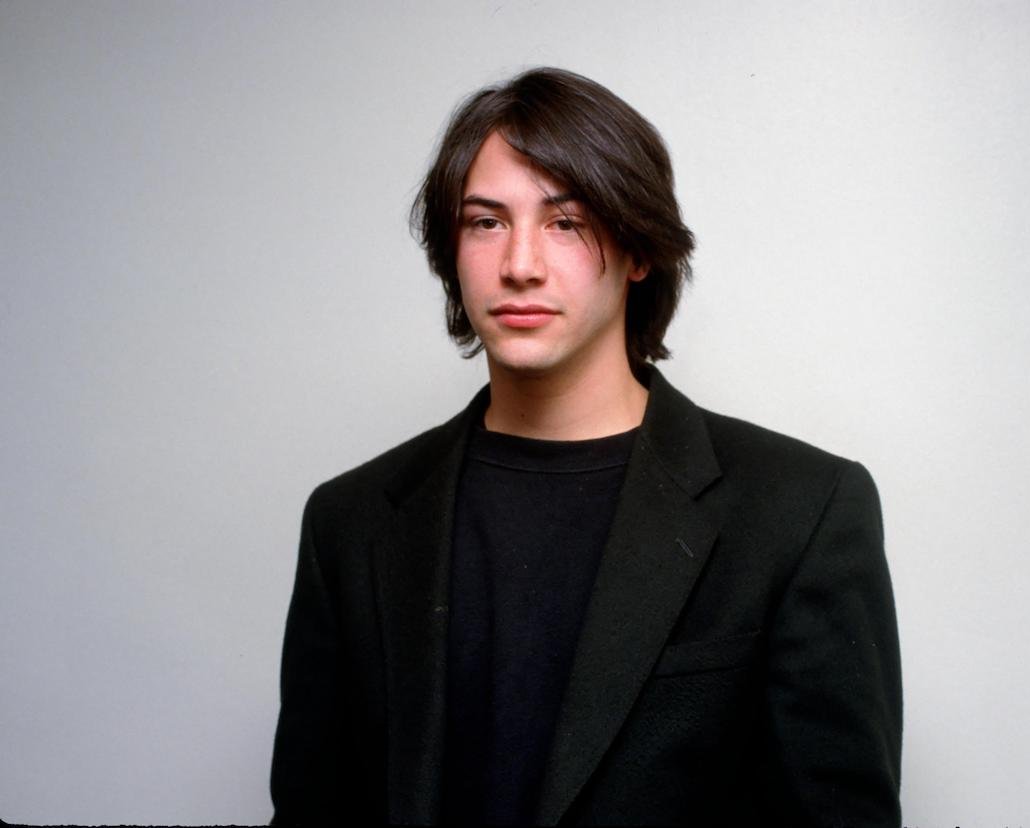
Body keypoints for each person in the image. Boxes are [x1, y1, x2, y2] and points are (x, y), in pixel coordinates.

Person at [270, 67, 902, 826]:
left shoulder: (801, 512)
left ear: (640, 250)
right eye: (486, 222)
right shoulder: (350, 522)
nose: (520, 265)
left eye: (566, 222)